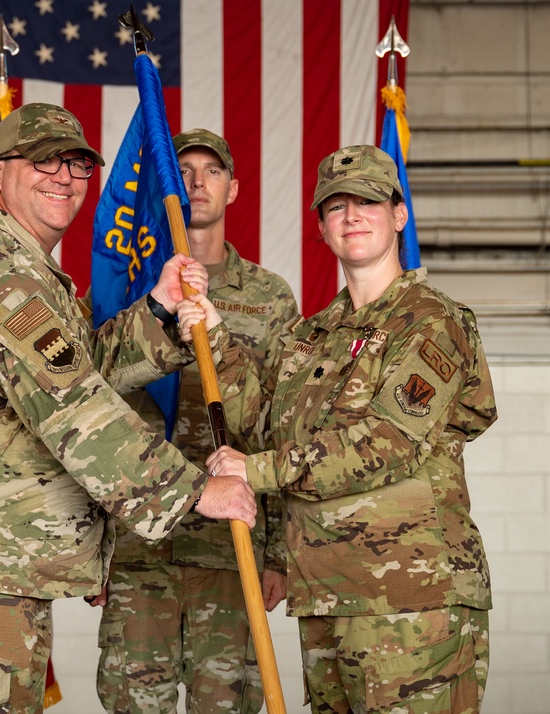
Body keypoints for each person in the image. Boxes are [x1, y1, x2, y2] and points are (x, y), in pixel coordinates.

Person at [0, 103, 257, 714]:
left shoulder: (32, 272)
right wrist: (194, 492)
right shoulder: (3, 276)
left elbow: (83, 367)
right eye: (42, 160)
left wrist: (156, 310)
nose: (62, 176)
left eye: (77, 163)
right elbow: (75, 408)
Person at [207, 145, 498, 714]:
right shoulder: (311, 335)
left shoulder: (431, 320)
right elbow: (260, 424)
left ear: (398, 215)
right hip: (324, 596)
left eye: (368, 201)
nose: (352, 215)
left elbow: (389, 442)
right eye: (336, 206)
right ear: (321, 228)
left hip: (411, 600)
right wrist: (214, 333)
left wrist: (258, 471)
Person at [90, 128, 301, 714]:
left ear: (233, 189)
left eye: (212, 170)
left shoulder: (270, 298)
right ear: (164, 189)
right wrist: (94, 549)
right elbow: (92, 413)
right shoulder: (138, 287)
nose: (196, 182)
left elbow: (281, 426)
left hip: (231, 549)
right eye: (183, 170)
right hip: (141, 548)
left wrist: (278, 554)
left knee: (229, 705)